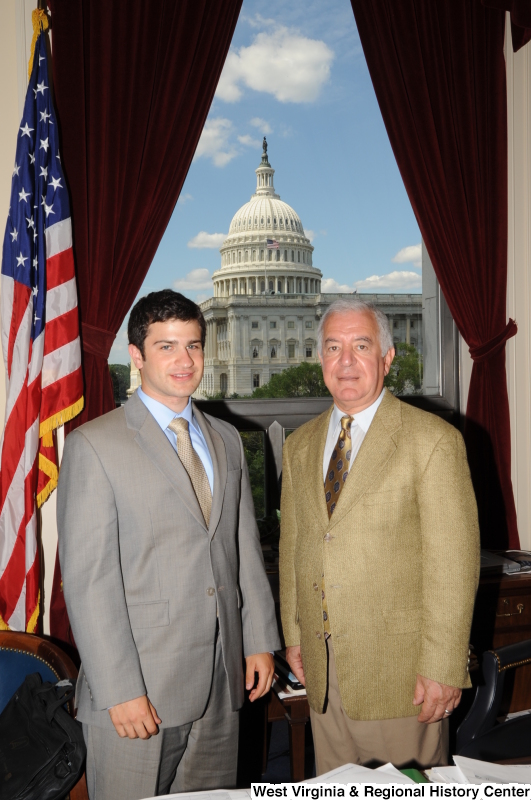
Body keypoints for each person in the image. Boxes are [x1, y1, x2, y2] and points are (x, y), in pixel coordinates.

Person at [57, 290, 280, 800]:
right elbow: (91, 584)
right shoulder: (95, 445)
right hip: (141, 691)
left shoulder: (226, 439)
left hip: (224, 684)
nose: (185, 361)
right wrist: (121, 690)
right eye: (167, 346)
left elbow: (243, 547)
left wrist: (260, 640)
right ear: (137, 356)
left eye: (194, 346)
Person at [279, 297, 480, 774]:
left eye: (361, 345)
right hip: (324, 673)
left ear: (387, 359)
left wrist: (444, 666)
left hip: (403, 677)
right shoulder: (299, 444)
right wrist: (294, 636)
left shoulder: (432, 440)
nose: (345, 361)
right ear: (320, 358)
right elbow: (294, 548)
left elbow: (454, 564)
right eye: (333, 347)